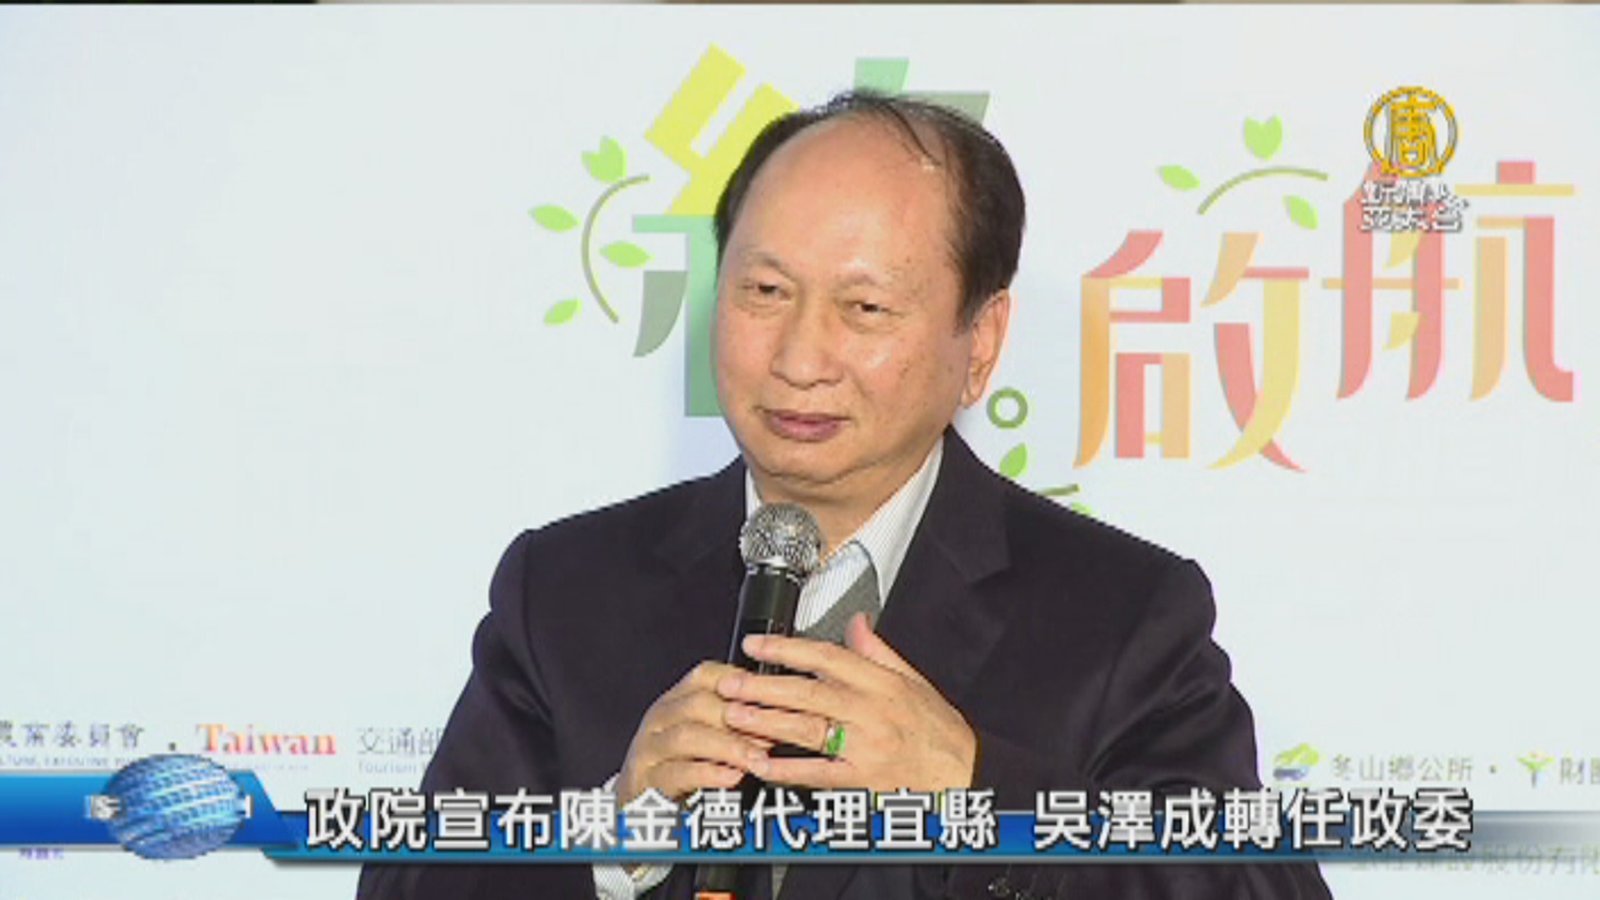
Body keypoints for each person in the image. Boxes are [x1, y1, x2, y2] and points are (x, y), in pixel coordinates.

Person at [357, 92, 1332, 900]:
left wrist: (973, 797)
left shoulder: (1123, 614)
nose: (799, 357)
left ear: (981, 342)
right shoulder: (565, 589)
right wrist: (613, 834)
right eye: (764, 293)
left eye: (864, 308)